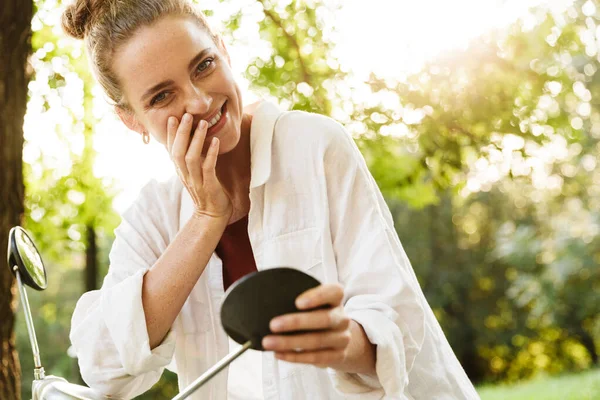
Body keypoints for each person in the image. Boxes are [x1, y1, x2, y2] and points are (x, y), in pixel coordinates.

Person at [61, 0, 480, 399]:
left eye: (204, 66)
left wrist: (342, 340)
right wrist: (207, 217)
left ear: (224, 51)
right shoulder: (152, 216)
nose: (200, 101)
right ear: (132, 119)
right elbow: (104, 369)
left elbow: (396, 322)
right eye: (162, 96)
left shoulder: (314, 145)